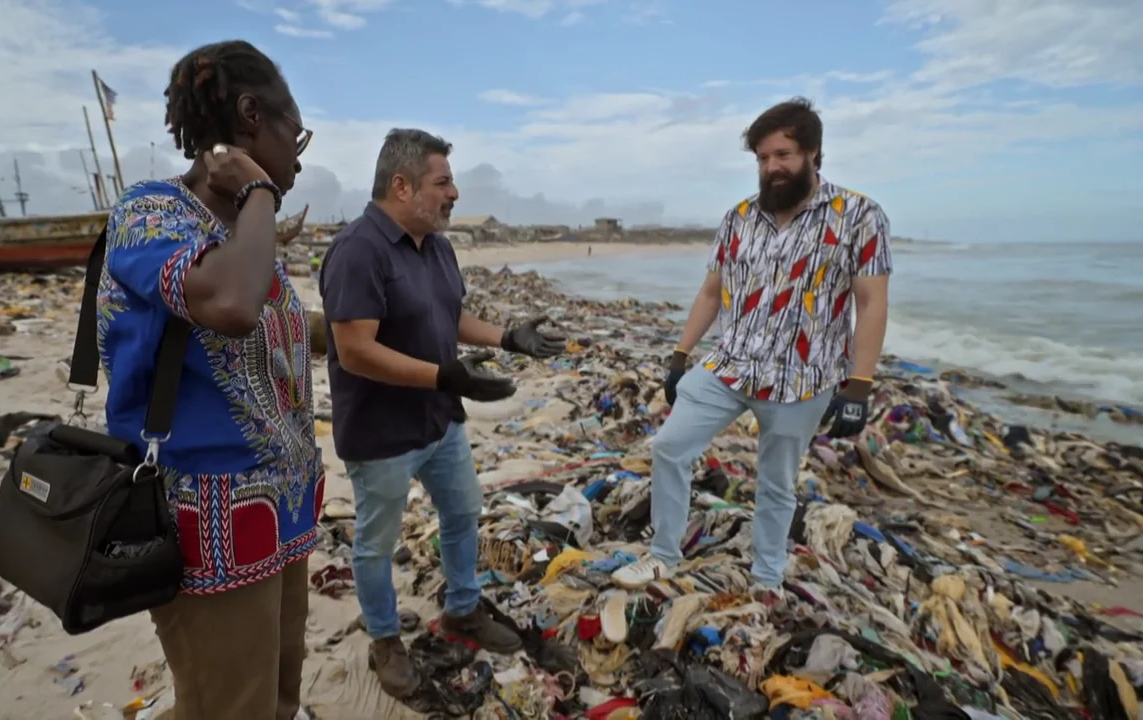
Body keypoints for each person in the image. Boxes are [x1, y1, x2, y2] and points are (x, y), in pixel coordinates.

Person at [96, 40, 321, 720]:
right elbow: (229, 306)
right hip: (207, 520)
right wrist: (258, 191)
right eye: (295, 133)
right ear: (252, 114)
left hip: (281, 508)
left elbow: (273, 336)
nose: (301, 157)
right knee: (227, 707)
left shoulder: (240, 232)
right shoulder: (151, 214)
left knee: (277, 693)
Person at [612, 97, 893, 600]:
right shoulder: (738, 217)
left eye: (782, 155)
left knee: (777, 483)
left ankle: (766, 579)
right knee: (670, 448)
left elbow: (871, 303)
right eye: (763, 158)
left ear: (813, 154)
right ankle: (663, 556)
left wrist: (860, 385)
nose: (771, 168)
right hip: (728, 367)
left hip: (803, 377)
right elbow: (711, 292)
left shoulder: (859, 216)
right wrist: (680, 356)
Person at [320, 128, 567, 699]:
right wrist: (445, 375)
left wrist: (509, 336)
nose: (454, 193)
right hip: (382, 431)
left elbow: (447, 317)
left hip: (438, 419)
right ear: (402, 186)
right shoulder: (358, 250)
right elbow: (355, 349)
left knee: (463, 512)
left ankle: (462, 609)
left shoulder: (435, 243)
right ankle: (385, 640)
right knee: (376, 543)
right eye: (443, 182)